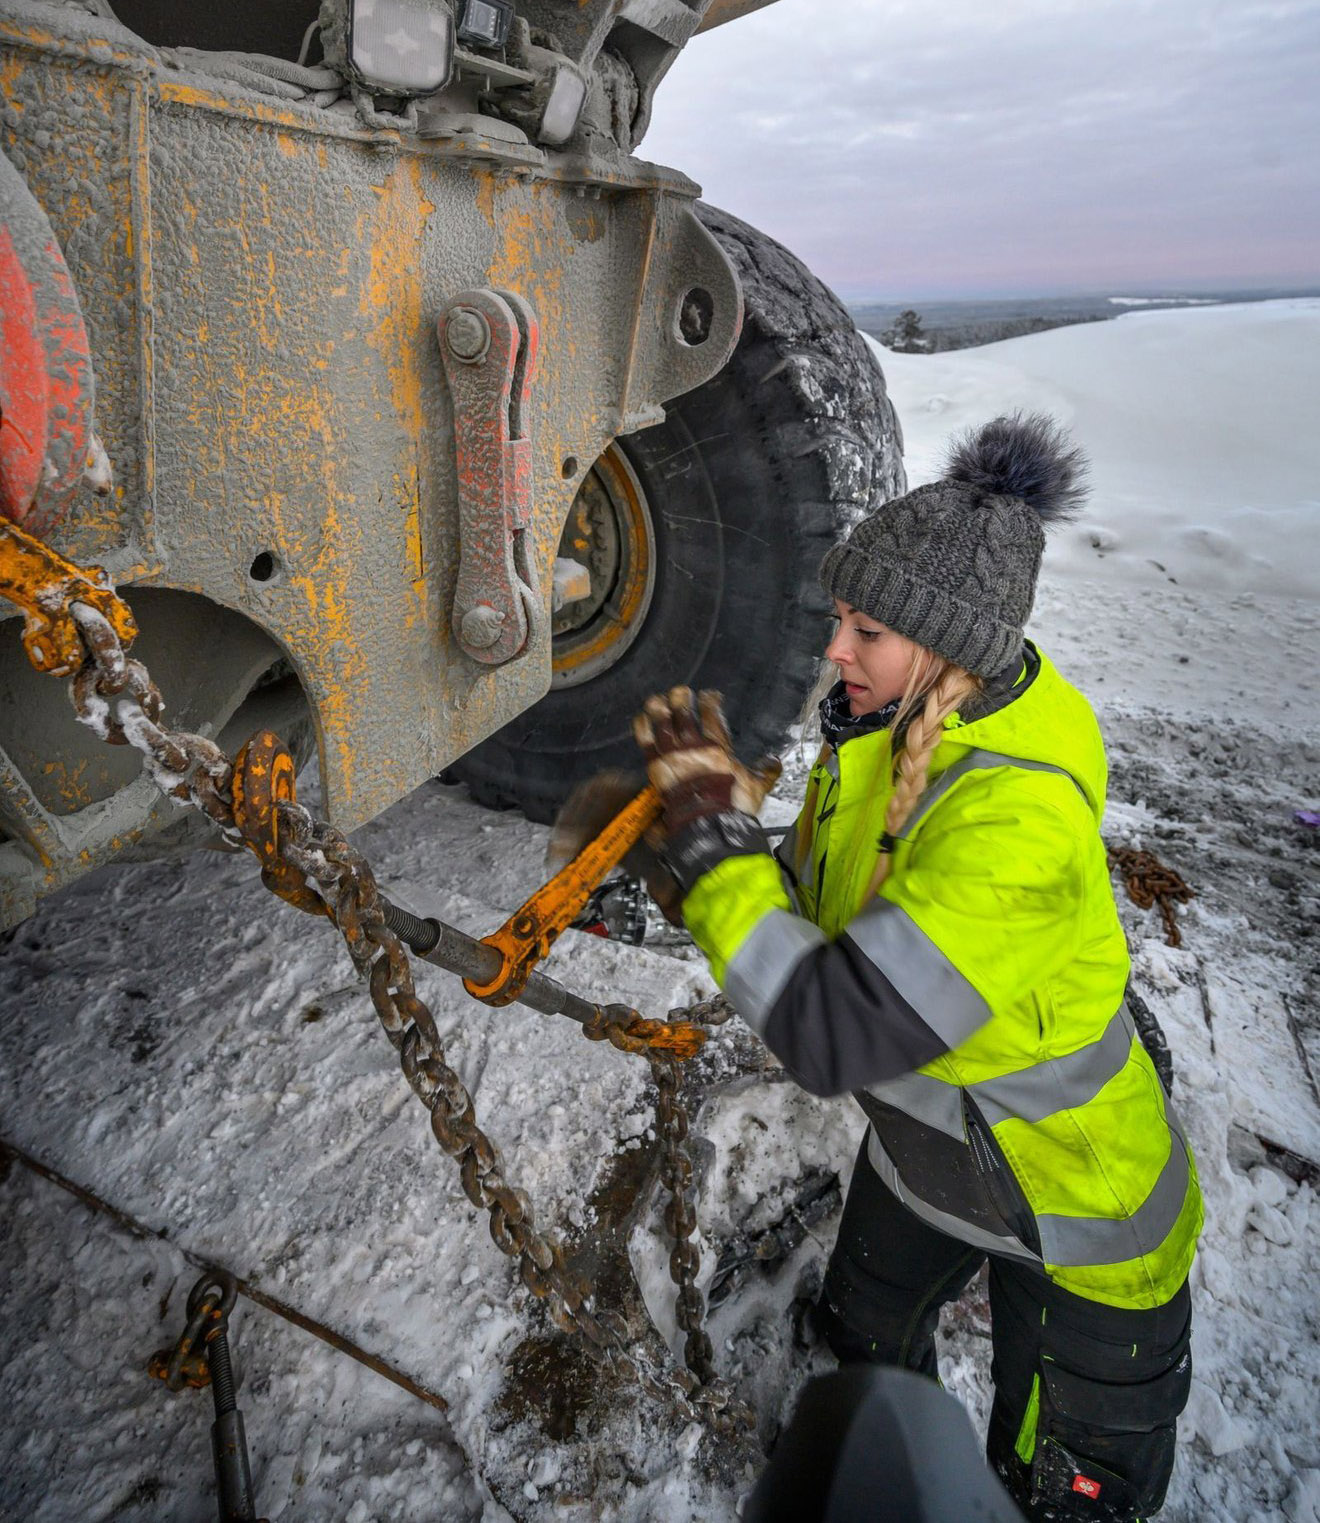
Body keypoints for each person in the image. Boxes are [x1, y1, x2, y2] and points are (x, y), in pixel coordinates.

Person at [631, 414, 1202, 1522]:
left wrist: (713, 851)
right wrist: (716, 853)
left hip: (1082, 1218)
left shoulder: (1015, 818)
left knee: (1063, 1494)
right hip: (929, 1154)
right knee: (861, 1341)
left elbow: (834, 1028)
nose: (834, 648)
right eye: (841, 617)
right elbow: (809, 912)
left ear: (947, 649)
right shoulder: (891, 733)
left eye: (868, 629)